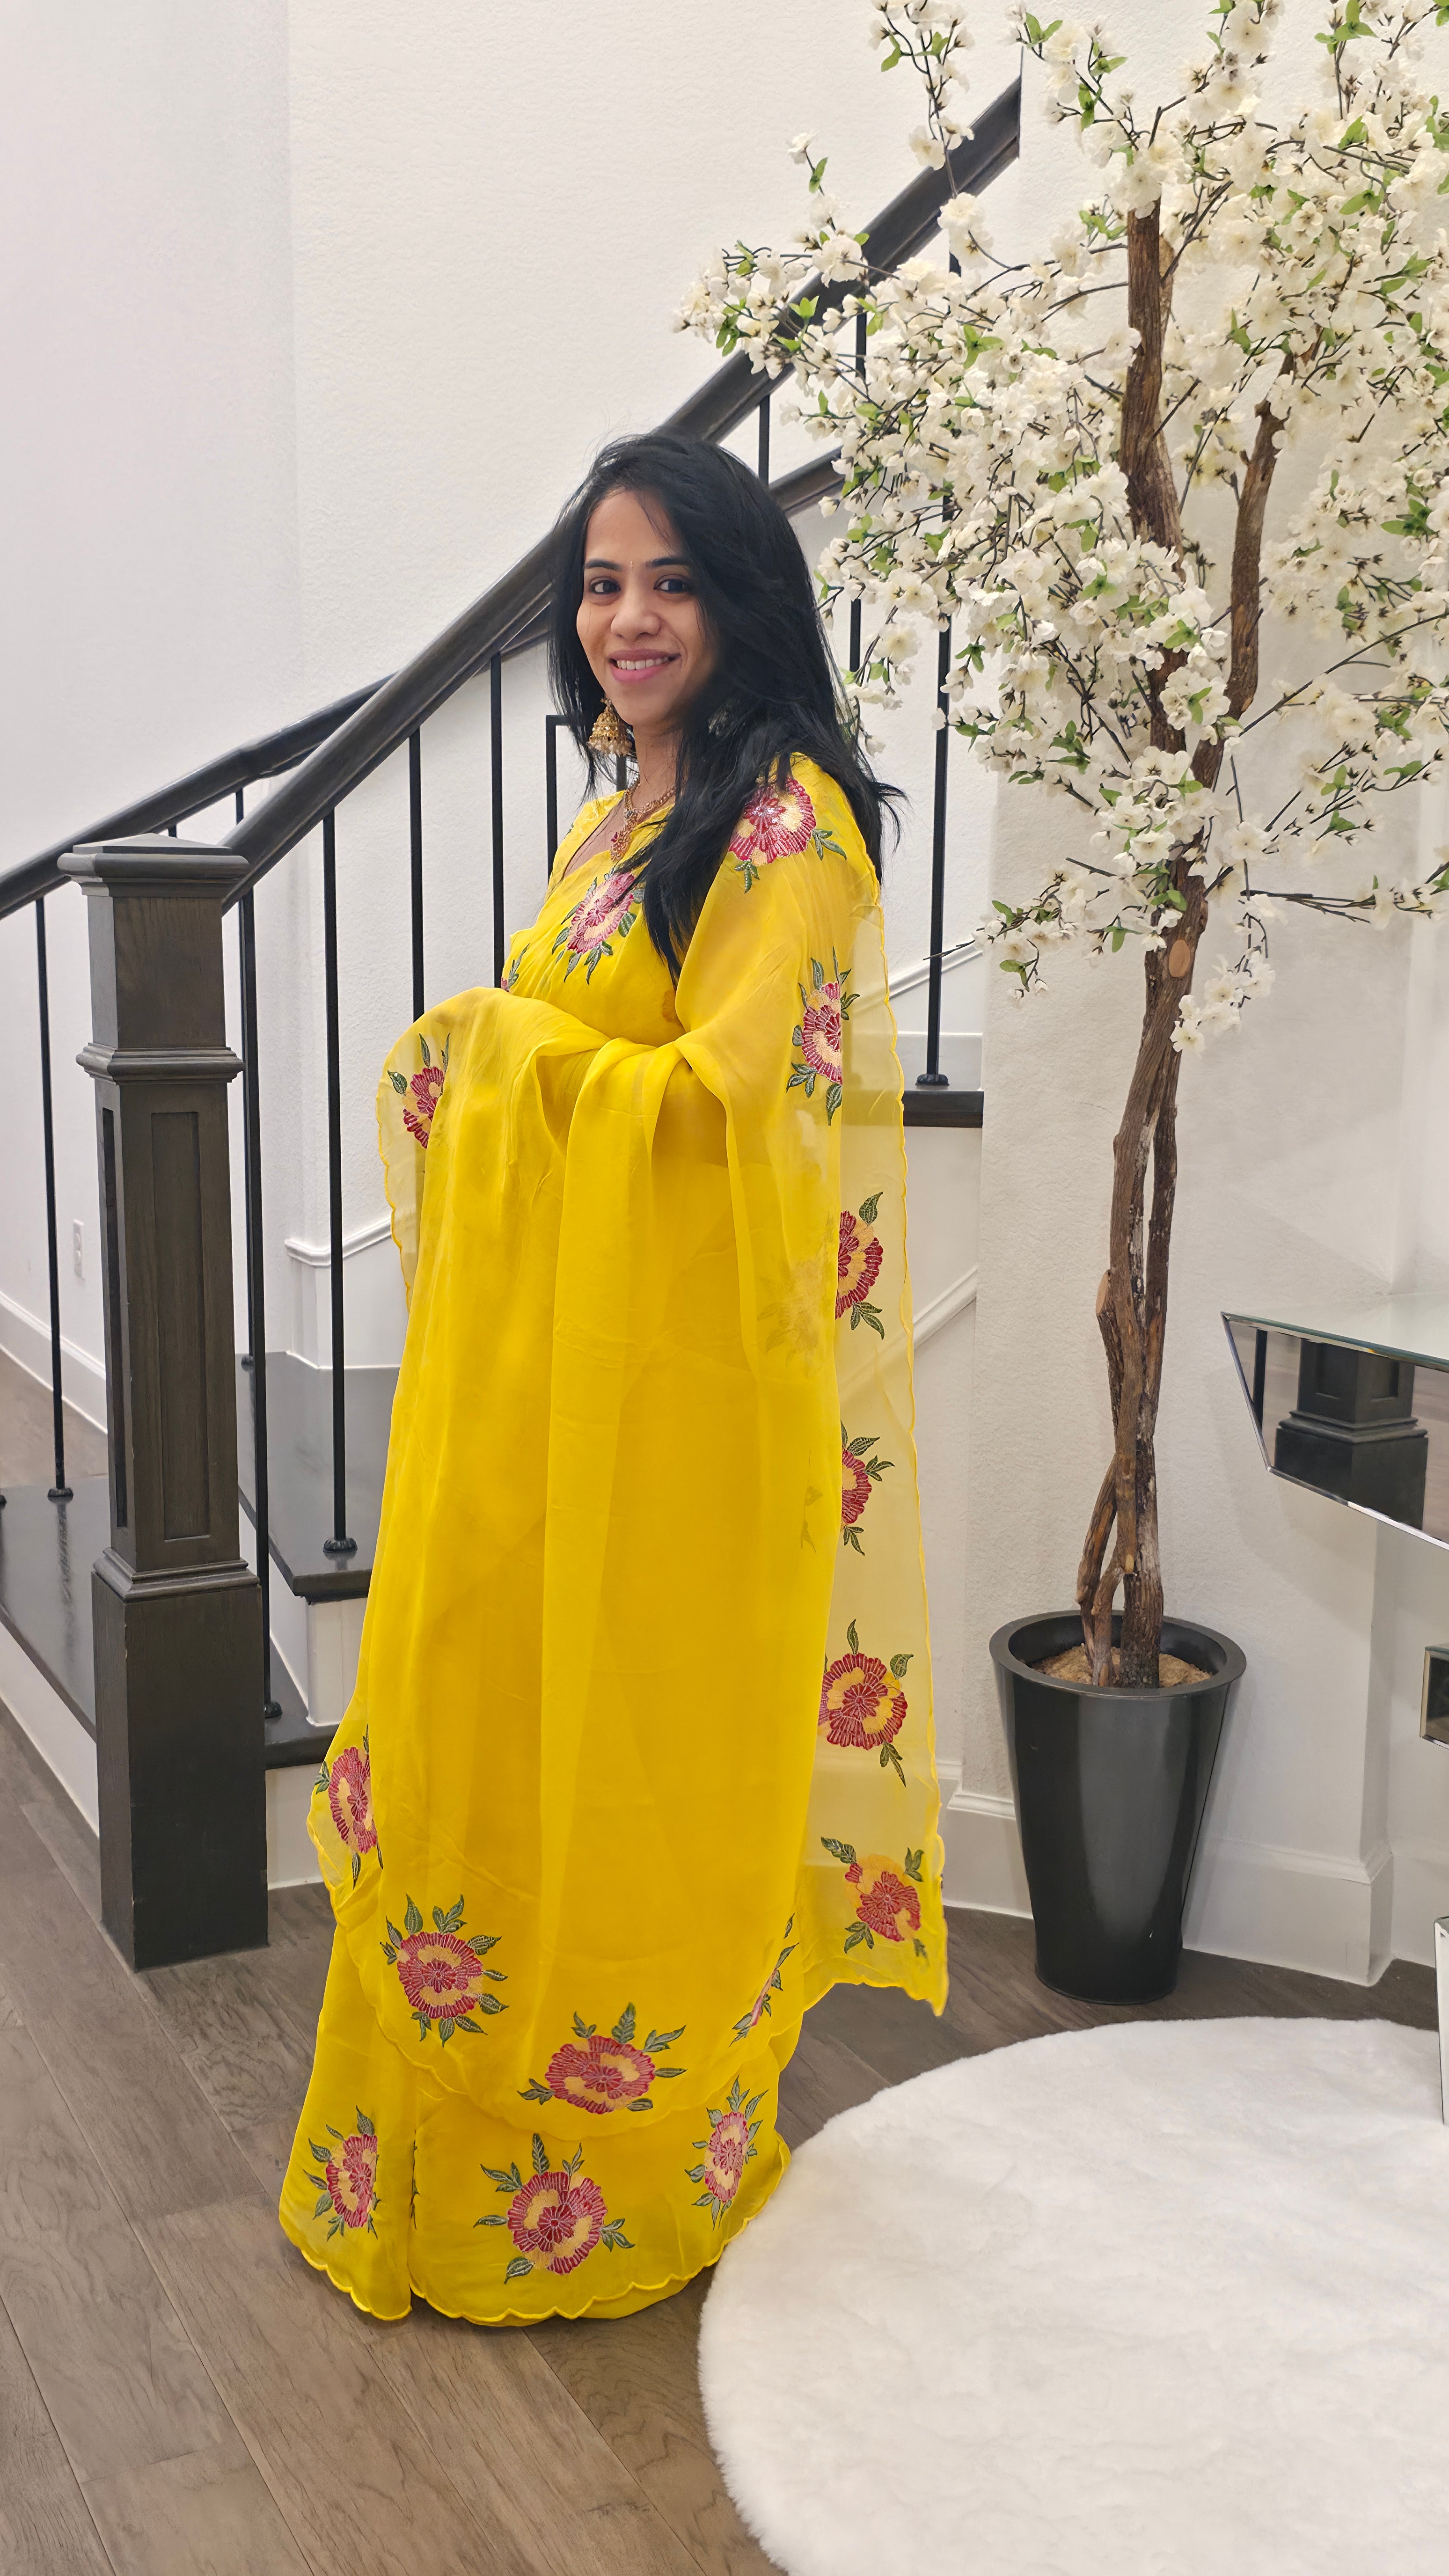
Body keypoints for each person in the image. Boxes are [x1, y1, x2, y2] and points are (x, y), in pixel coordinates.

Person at [279, 431, 946, 2325]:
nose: (627, 617)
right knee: (490, 1741)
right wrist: (502, 1067)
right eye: (598, 582)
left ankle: (617, 2169)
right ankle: (443, 2146)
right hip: (542, 1392)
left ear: (745, 598)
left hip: (677, 1419)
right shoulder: (623, 800)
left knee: (635, 1777)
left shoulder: (788, 826)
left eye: (668, 579)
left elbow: (728, 1113)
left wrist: (490, 1053)